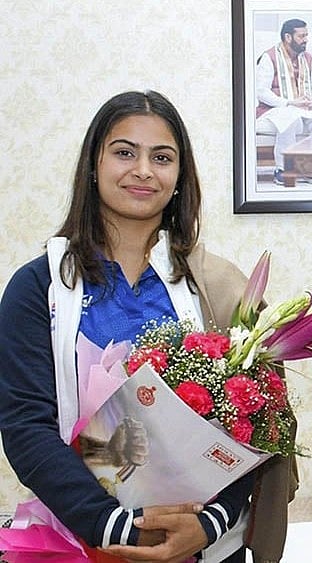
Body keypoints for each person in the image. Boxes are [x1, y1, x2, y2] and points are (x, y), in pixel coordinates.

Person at [0, 90, 296, 563]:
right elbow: (25, 427)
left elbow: (254, 424)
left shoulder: (216, 286)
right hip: (82, 537)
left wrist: (207, 525)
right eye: (124, 152)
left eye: (162, 157)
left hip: (209, 544)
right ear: (93, 166)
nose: (142, 170)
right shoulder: (39, 287)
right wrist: (115, 528)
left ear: (179, 177)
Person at [255, 18, 312, 186]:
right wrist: (289, 103)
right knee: (290, 116)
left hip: (305, 108)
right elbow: (261, 91)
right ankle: (284, 169)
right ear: (288, 37)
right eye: (301, 36)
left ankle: (311, 168)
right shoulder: (269, 57)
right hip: (276, 109)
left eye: (306, 35)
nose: (306, 39)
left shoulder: (307, 58)